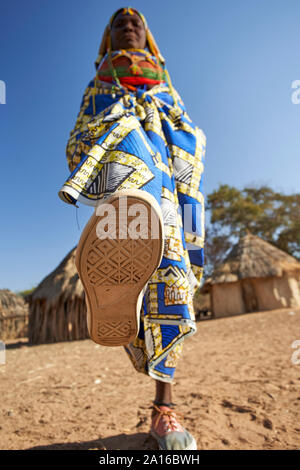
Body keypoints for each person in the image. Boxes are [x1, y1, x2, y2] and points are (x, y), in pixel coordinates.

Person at [58, 7, 206, 451]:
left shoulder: (165, 83)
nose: (127, 24)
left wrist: (174, 128)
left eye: (135, 22)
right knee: (133, 149)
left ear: (147, 35)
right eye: (118, 23)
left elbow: (188, 130)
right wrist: (127, 120)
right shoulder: (101, 80)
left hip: (174, 180)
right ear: (108, 39)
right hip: (130, 165)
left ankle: (164, 410)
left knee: (172, 280)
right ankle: (130, 213)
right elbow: (85, 128)